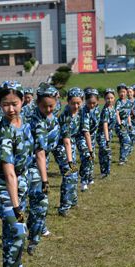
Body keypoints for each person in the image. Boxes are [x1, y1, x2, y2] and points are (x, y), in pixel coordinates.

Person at [0, 81, 34, 267]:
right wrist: (16, 206)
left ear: (23, 101)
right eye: (5, 104)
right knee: (18, 230)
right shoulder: (5, 130)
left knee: (10, 232)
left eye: (14, 103)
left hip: (21, 183)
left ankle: (14, 265)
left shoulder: (24, 123)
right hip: (4, 187)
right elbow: (8, 173)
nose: (10, 108)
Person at [26, 84, 60, 255]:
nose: (48, 109)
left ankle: (32, 230)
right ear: (37, 103)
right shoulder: (37, 122)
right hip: (31, 168)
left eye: (51, 105)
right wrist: (45, 180)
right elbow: (39, 153)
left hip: (40, 166)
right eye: (44, 106)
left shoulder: (52, 118)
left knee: (36, 205)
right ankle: (33, 240)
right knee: (41, 203)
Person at [54, 87, 88, 217]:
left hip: (70, 146)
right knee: (69, 174)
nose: (76, 105)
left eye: (78, 102)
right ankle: (64, 208)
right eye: (73, 103)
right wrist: (70, 162)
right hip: (61, 147)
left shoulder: (80, 113)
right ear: (67, 102)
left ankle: (73, 201)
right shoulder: (65, 117)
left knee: (74, 173)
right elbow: (66, 141)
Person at [76, 88, 100, 192]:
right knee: (87, 157)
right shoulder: (84, 111)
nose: (92, 105)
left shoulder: (97, 109)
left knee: (90, 160)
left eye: (94, 103)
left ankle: (89, 177)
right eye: (89, 103)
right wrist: (90, 150)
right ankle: (83, 182)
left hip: (92, 138)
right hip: (82, 138)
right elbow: (86, 132)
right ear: (86, 101)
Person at [97, 88, 116, 178]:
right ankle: (105, 172)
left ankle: (105, 172)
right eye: (108, 98)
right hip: (103, 135)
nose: (110, 100)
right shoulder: (106, 110)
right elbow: (105, 125)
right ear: (104, 99)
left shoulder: (112, 108)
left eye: (111, 98)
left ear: (114, 98)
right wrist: (107, 139)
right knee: (106, 153)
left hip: (108, 133)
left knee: (104, 153)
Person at [115, 83, 133, 165]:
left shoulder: (129, 102)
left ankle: (123, 158)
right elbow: (117, 113)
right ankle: (122, 159)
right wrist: (119, 124)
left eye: (124, 92)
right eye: (120, 92)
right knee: (127, 140)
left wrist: (130, 124)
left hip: (126, 124)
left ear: (126, 92)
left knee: (123, 142)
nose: (122, 94)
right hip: (120, 124)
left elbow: (128, 114)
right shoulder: (118, 102)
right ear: (118, 93)